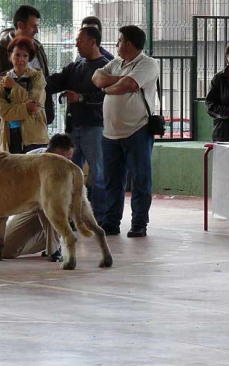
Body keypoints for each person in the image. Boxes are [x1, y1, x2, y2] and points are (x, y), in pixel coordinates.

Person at [92, 25, 159, 238]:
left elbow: (128, 84)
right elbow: (97, 77)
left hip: (137, 130)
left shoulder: (148, 64)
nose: (116, 45)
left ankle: (139, 223)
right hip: (110, 133)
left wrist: (111, 84)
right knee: (112, 180)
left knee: (140, 180)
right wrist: (112, 83)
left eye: (119, 41)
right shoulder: (117, 62)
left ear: (129, 43)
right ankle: (111, 222)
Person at [46, 27, 108, 224]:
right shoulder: (75, 67)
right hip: (73, 128)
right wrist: (31, 81)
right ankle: (73, 216)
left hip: (95, 127)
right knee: (70, 175)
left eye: (80, 40)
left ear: (92, 41)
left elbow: (106, 95)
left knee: (97, 174)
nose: (76, 44)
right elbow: (54, 82)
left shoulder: (106, 68)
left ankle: (98, 217)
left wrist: (80, 97)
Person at [0, 5, 53, 149]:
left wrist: (15, 87)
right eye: (33, 26)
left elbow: (39, 93)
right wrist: (23, 103)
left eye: (26, 56)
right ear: (20, 25)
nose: (37, 31)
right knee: (5, 167)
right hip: (6, 124)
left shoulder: (38, 48)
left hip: (34, 125)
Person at [1, 134, 74, 261]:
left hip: (57, 209)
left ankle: (54, 249)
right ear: (48, 153)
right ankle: (48, 242)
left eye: (69, 158)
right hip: (29, 207)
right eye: (61, 158)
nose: (66, 162)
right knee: (6, 251)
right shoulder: (28, 159)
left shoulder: (68, 167)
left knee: (49, 202)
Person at [0, 36, 48, 154]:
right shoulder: (1, 80)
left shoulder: (37, 77)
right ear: (10, 56)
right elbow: (3, 112)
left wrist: (14, 87)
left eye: (25, 56)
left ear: (29, 58)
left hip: (34, 137)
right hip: (9, 136)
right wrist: (26, 108)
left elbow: (36, 103)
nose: (21, 59)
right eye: (17, 55)